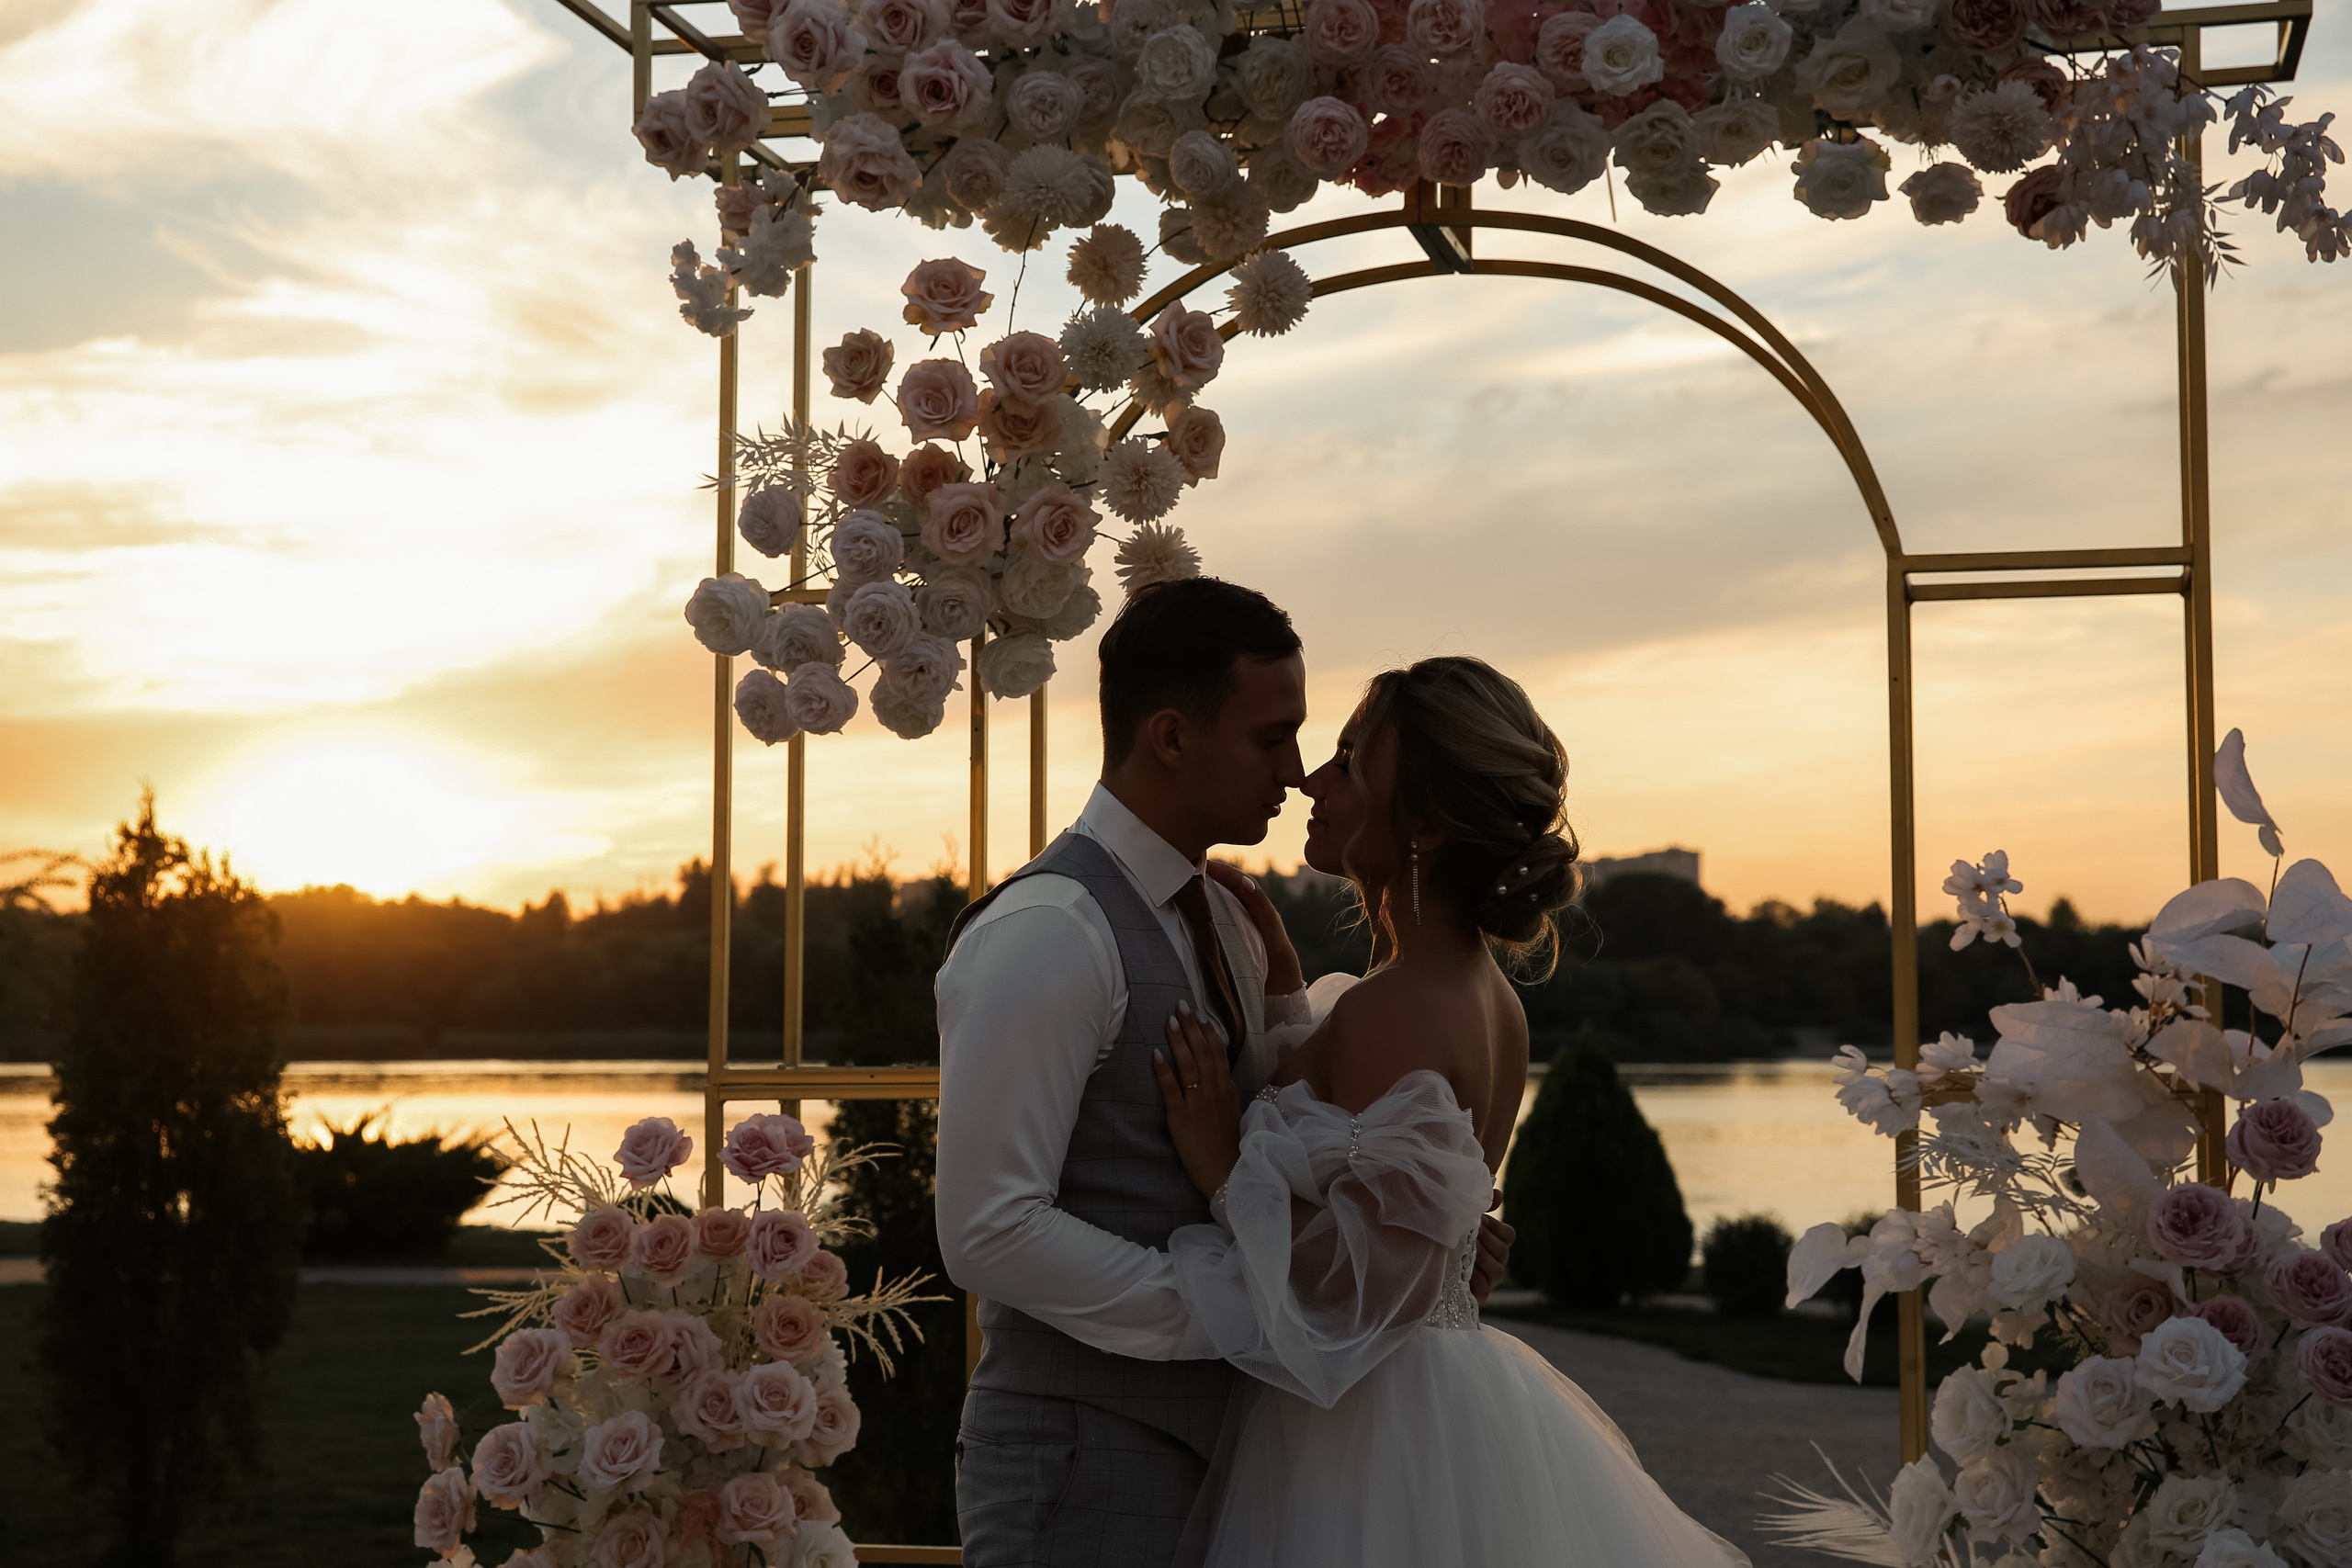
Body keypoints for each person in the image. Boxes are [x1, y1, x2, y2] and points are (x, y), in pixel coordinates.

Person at [934, 581, 1513, 1568]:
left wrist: (1427, 1241)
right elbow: (988, 1230)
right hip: (1085, 1456)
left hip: (1244, 1461)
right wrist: (1245, 1310)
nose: (1295, 773)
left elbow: (1304, 1138)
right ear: (1170, 736)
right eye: (1270, 737)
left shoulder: (1236, 928)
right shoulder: (1051, 932)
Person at [1151, 655, 1748, 1568]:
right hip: (1435, 1401)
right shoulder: (1480, 997)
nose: (1312, 778)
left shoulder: (1398, 1009)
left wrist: (1218, 1166)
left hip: (1368, 1432)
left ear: (1424, 822)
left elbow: (1352, 1291)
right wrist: (1279, 990)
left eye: (1350, 761)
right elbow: (1407, 1215)